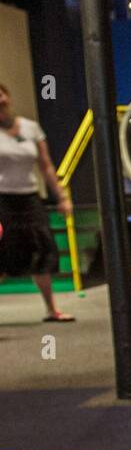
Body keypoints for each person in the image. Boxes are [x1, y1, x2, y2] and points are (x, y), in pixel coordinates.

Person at [0, 81, 75, 322]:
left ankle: (52, 309)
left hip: (30, 197)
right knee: (5, 252)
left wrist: (61, 197)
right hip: (2, 200)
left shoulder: (31, 128)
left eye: (1, 95)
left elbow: (46, 166)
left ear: (8, 96)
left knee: (43, 249)